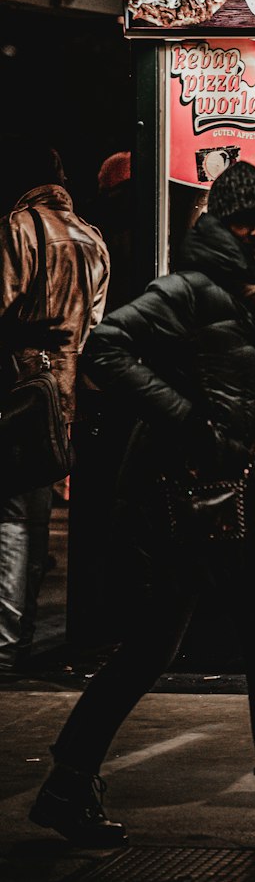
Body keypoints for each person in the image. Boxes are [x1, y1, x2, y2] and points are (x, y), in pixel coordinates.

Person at [29, 161, 255, 846]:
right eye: (243, 218)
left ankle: (68, 782)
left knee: (157, 647)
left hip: (226, 493)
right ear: (218, 222)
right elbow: (105, 348)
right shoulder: (192, 287)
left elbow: (250, 399)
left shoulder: (254, 291)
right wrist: (187, 422)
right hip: (193, 496)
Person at [0, 142, 109, 676]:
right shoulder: (91, 235)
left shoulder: (21, 226)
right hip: (69, 392)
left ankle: (5, 640)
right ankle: (20, 635)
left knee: (15, 515)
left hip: (24, 383)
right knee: (36, 516)